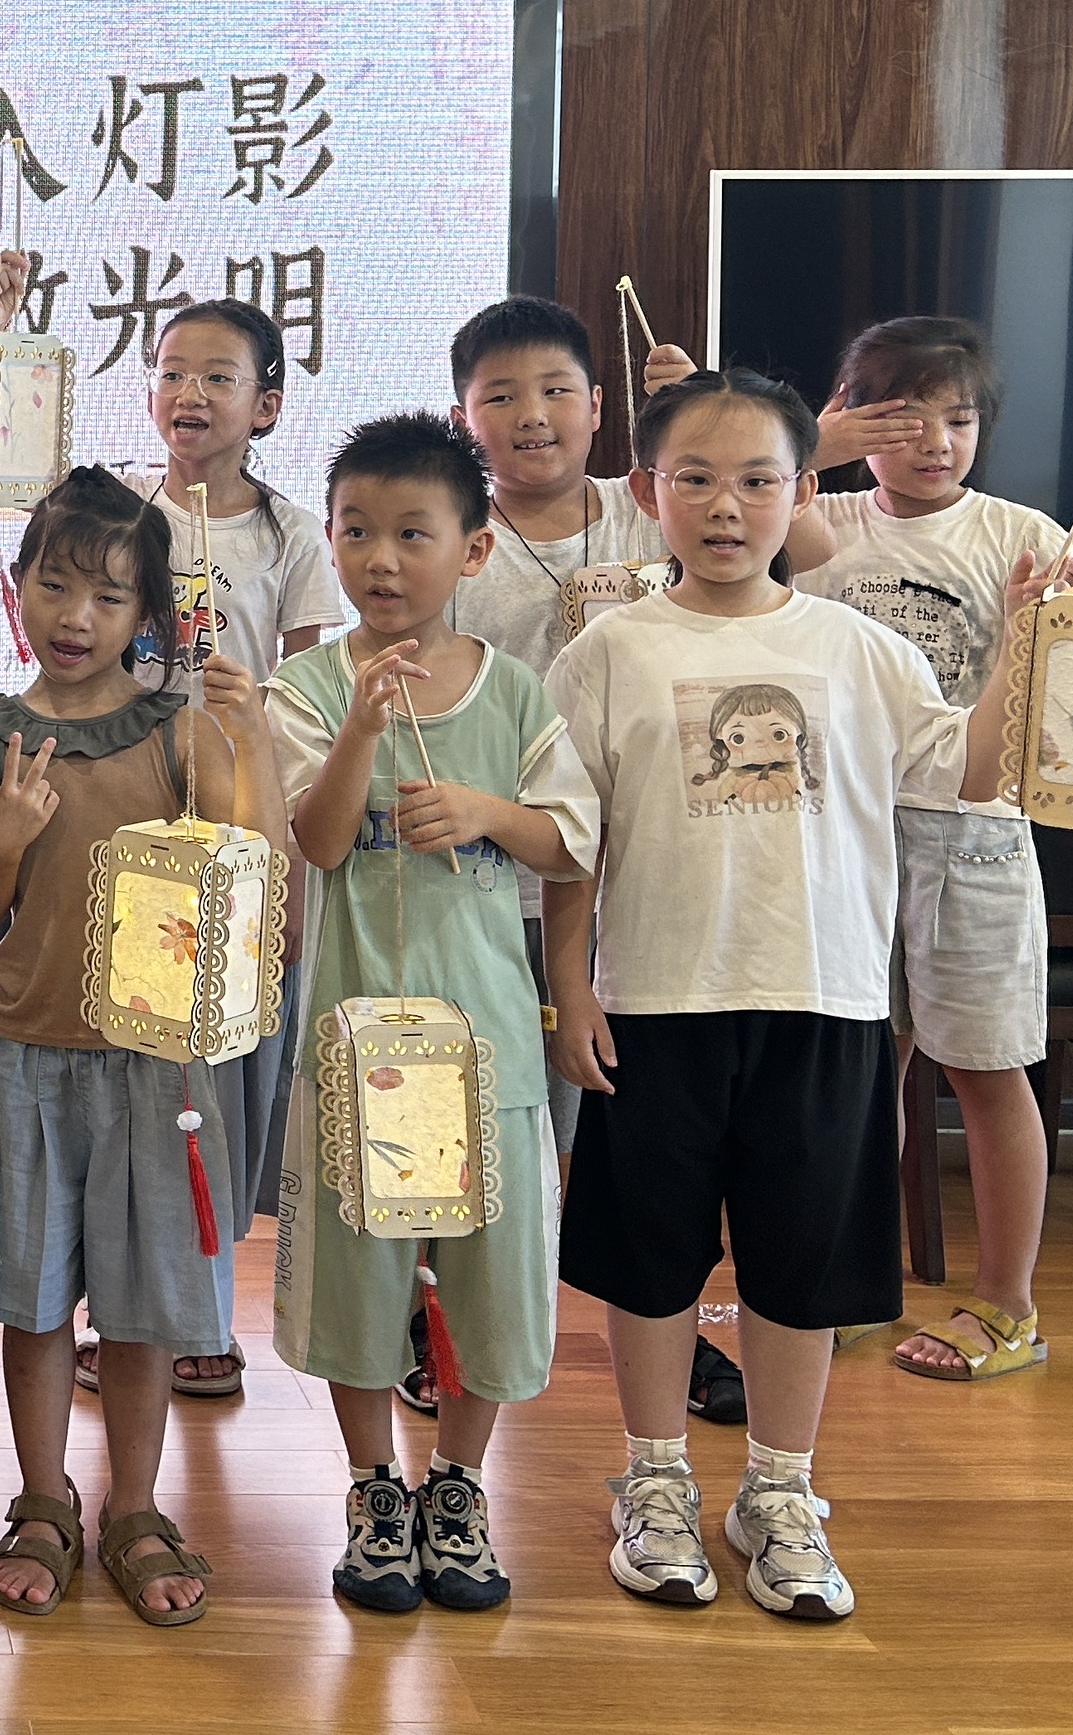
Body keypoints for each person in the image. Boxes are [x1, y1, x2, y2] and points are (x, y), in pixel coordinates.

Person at [542, 370, 1042, 1622]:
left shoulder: (857, 648)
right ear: (649, 491)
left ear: (801, 491)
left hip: (824, 1002)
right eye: (696, 480)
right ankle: (654, 1479)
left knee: (798, 1261)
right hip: (654, 1001)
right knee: (649, 1259)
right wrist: (567, 985)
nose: (727, 507)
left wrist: (1025, 639)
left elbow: (971, 770)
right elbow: (571, 837)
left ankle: (778, 1489)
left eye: (758, 480)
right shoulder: (607, 651)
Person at [0, 467, 286, 1628]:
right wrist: (1, 832)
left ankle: (134, 1503)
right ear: (16, 584)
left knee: (141, 1311)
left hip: (157, 1069)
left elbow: (261, 872)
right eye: (53, 585)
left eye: (108, 596)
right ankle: (43, 1498)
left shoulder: (179, 727)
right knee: (32, 1306)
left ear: (149, 615)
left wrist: (249, 735)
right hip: (26, 1053)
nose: (74, 617)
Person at [268, 415, 596, 1613]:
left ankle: (456, 1483)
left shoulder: (514, 692)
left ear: (474, 551)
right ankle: (373, 1487)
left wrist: (485, 812)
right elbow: (313, 840)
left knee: (492, 1280)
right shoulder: (305, 687)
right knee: (358, 1279)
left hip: (488, 1047)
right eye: (356, 531)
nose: (381, 559)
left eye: (413, 534)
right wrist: (360, 725)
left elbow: (569, 840)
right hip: (351, 1044)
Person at [784, 315, 1073, 1382]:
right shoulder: (813, 517)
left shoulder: (1024, 535)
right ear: (848, 419)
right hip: (839, 831)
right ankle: (844, 1288)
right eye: (904, 418)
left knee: (985, 1068)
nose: (935, 442)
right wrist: (814, 440)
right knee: (853, 1072)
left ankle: (1008, 1306)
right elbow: (740, 475)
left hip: (973, 835)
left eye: (958, 420)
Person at [443, 296, 746, 1424]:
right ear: (463, 418)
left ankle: (670, 1328)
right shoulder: (453, 540)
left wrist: (693, 414)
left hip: (644, 883)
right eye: (501, 395)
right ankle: (447, 1327)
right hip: (491, 873)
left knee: (637, 1134)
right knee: (477, 1119)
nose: (532, 414)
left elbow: (769, 519)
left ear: (601, 405)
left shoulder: (648, 509)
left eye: (555, 390)